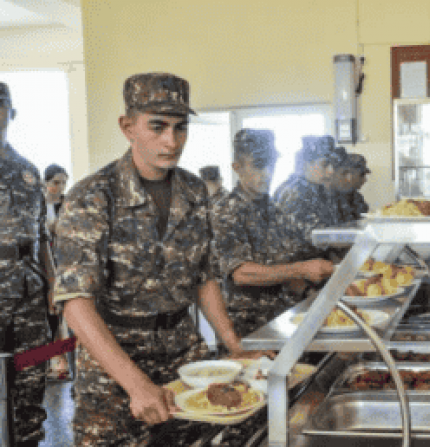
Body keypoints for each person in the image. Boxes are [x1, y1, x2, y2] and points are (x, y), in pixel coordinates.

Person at [52, 72, 268, 446]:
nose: (172, 141)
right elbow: (75, 302)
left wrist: (233, 343)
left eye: (180, 127)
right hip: (114, 370)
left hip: (184, 361)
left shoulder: (194, 190)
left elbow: (204, 275)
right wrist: (136, 384)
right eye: (158, 127)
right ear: (128, 127)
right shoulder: (92, 197)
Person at [211, 128, 333, 339]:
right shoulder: (226, 211)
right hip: (248, 329)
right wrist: (302, 269)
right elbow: (242, 273)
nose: (268, 173)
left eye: (272, 164)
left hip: (283, 320)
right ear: (237, 167)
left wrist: (315, 295)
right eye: (259, 165)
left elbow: (283, 265)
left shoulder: (273, 208)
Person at [0, 82, 56, 447]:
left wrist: (53, 282)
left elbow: (41, 236)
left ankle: (29, 439)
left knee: (33, 371)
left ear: (11, 113)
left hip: (29, 290)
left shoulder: (28, 172)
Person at [274, 135, 346, 261]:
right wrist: (356, 238)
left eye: (333, 165)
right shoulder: (295, 193)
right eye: (325, 164)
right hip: (296, 267)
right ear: (307, 164)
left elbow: (330, 230)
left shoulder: (319, 189)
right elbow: (317, 236)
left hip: (319, 261)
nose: (331, 171)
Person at [42, 163, 72, 381]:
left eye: (63, 183)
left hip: (63, 265)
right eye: (56, 183)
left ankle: (63, 363)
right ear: (45, 183)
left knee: (62, 316)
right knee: (47, 318)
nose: (60, 187)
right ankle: (50, 362)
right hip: (42, 267)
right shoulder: (37, 204)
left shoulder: (68, 204)